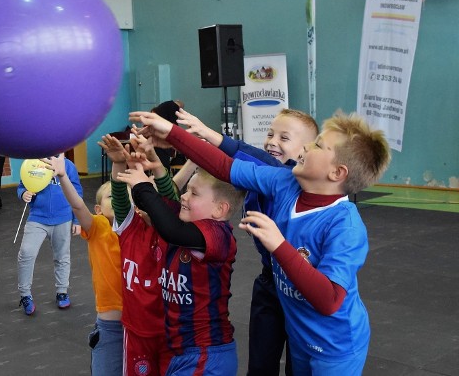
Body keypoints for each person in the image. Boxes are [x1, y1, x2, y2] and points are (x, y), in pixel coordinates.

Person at [130, 110, 391, 375]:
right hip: (300, 336)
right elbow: (225, 167)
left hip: (337, 346)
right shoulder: (285, 182)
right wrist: (173, 134)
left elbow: (330, 300)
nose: (308, 148)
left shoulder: (345, 226)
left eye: (318, 145)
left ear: (337, 172)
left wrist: (279, 245)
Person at [177, 108, 318, 375]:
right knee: (260, 362)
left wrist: (211, 135)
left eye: (284, 137)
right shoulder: (258, 178)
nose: (273, 141)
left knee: (300, 366)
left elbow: (261, 160)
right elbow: (227, 169)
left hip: (301, 289)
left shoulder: (286, 176)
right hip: (270, 282)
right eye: (270, 133)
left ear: (305, 153)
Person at [116, 146, 244, 375]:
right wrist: (151, 170)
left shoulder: (218, 234)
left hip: (206, 353)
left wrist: (143, 185)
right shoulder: (186, 225)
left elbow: (170, 229)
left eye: (194, 193)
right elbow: (162, 204)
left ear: (219, 209)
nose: (184, 196)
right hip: (182, 351)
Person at [101, 133, 182, 376]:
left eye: (156, 197)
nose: (152, 201)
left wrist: (155, 164)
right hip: (137, 332)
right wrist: (118, 163)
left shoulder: (175, 234)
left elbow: (171, 200)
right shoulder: (129, 229)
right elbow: (119, 198)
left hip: (171, 333)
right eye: (146, 194)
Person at [44, 154, 123, 376]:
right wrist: (63, 177)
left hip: (142, 323)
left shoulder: (139, 226)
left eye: (124, 194)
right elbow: (78, 206)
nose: (118, 198)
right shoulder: (98, 226)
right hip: (111, 326)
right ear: (98, 209)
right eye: (110, 196)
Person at [17, 154, 82, 314]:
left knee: (62, 256)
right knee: (26, 253)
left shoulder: (68, 165)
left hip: (63, 218)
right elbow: (22, 186)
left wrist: (77, 220)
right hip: (37, 218)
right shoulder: (33, 163)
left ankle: (62, 292)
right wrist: (23, 193)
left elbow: (77, 192)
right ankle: (25, 295)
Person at [151, 100, 185, 172]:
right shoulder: (173, 107)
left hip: (157, 136)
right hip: (162, 137)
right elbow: (173, 124)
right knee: (163, 162)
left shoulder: (164, 106)